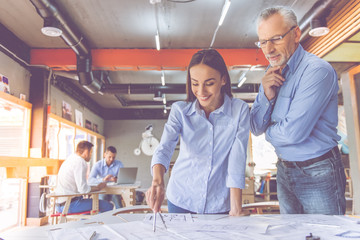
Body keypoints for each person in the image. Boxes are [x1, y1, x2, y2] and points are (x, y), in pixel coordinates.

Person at [250, 6, 346, 214]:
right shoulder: (270, 73)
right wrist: (266, 95)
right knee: (291, 234)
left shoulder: (316, 71)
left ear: (296, 34)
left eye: (275, 38)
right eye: (263, 42)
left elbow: (293, 133)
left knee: (325, 234)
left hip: (318, 172)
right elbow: (255, 127)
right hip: (284, 170)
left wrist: (270, 131)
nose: (268, 49)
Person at [146, 49, 250, 216]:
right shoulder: (180, 111)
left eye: (209, 83)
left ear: (223, 79)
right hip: (181, 198)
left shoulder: (240, 110)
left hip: (219, 203)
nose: (200, 91)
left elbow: (237, 157)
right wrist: (157, 182)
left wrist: (236, 207)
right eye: (195, 83)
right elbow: (165, 148)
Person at [55, 141, 113, 214]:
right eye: (91, 152)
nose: (91, 155)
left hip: (59, 205)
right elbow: (83, 189)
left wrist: (94, 187)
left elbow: (81, 188)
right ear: (86, 151)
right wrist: (98, 188)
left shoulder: (70, 159)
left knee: (89, 206)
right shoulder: (80, 162)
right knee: (108, 206)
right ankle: (97, 225)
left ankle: (87, 224)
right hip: (69, 205)